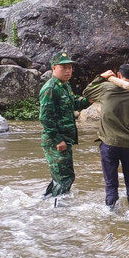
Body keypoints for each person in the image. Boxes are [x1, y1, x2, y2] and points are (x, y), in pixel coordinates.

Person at [82, 64, 129, 209]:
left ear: (118, 75)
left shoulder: (106, 88)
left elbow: (87, 92)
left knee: (111, 183)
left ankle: (110, 212)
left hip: (108, 144)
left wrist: (101, 77)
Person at [39, 51, 90, 197]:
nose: (68, 71)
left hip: (65, 139)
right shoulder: (50, 88)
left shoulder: (65, 86)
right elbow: (45, 118)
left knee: (61, 176)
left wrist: (88, 101)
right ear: (54, 68)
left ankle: (46, 202)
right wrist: (58, 140)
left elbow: (73, 104)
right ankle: (59, 207)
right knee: (65, 177)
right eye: (64, 67)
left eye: (70, 68)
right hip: (55, 140)